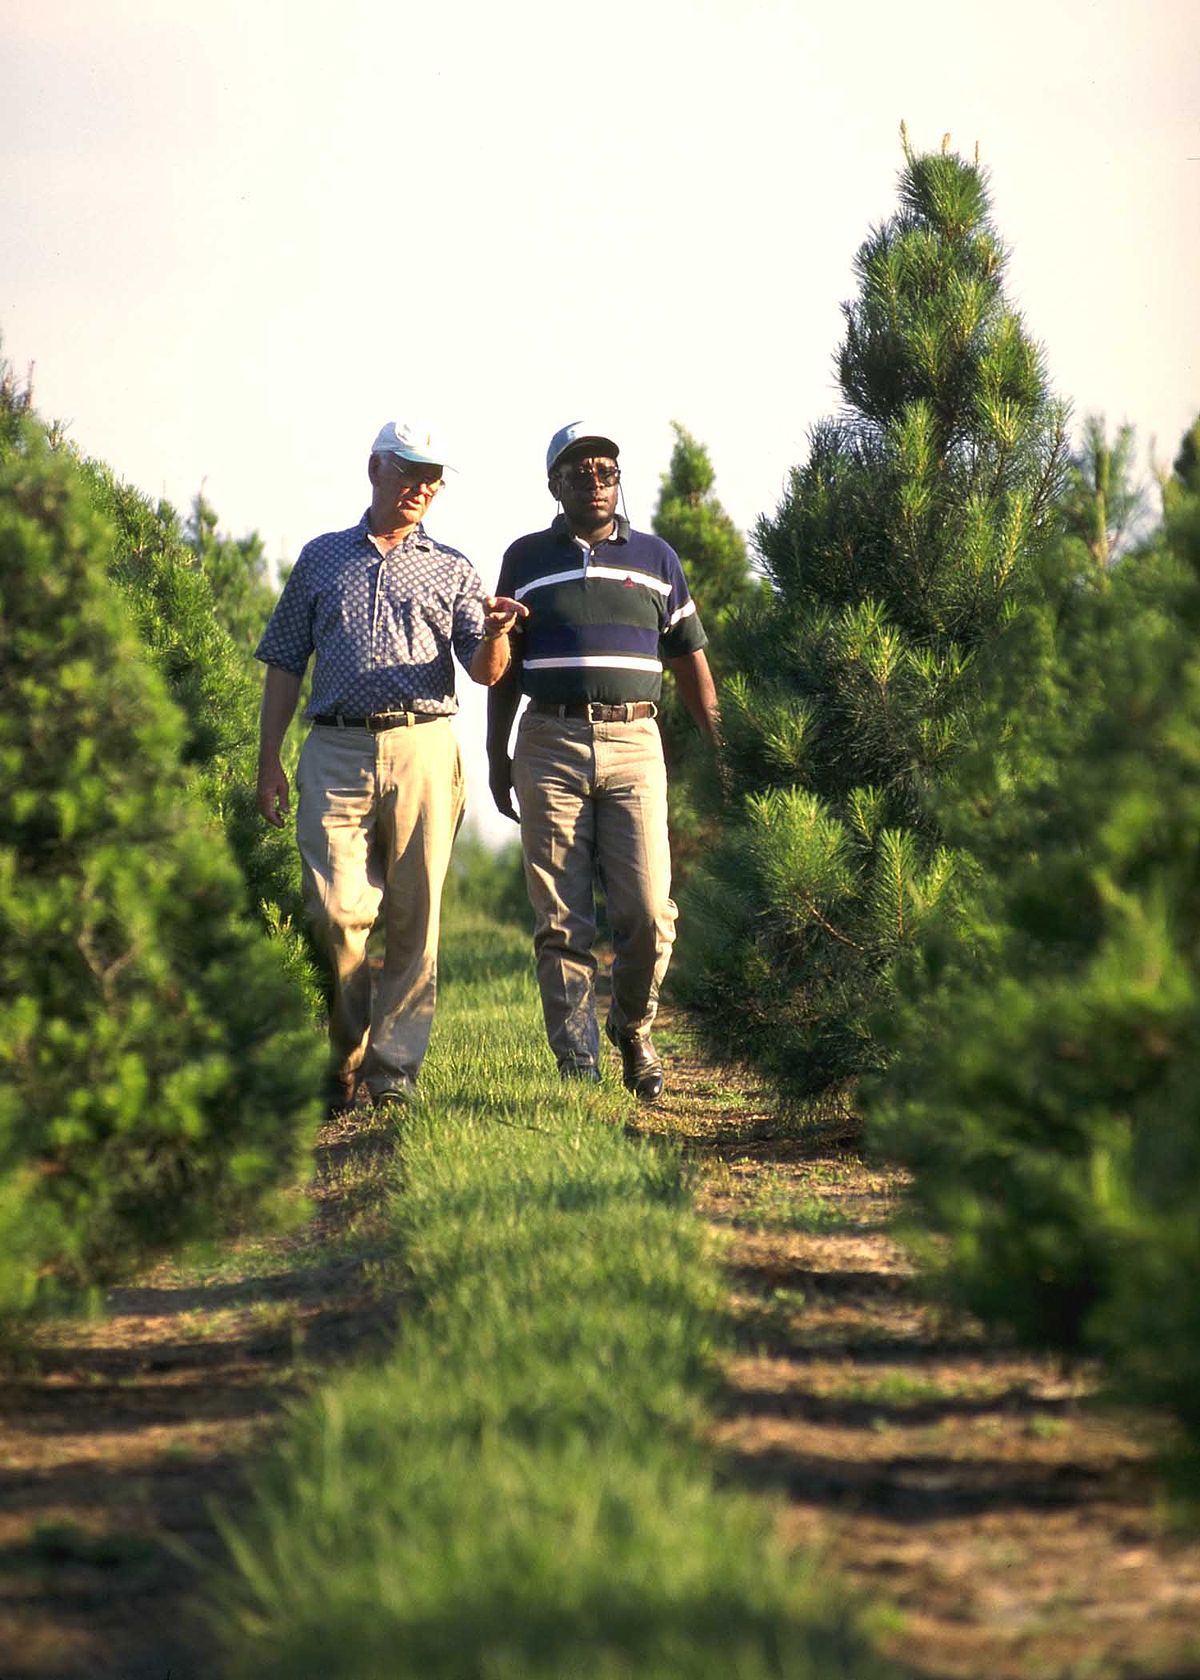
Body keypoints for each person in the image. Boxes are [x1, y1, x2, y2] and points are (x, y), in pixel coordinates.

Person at [256, 419, 526, 1112]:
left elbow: (485, 672)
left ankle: (393, 1074)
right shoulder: (322, 559)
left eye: (433, 477)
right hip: (335, 749)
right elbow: (285, 663)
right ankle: (342, 1052)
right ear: (374, 468)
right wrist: (269, 763)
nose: (422, 487)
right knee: (334, 912)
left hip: (425, 745)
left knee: (416, 914)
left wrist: (496, 635)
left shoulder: (454, 567)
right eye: (409, 471)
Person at [487, 421, 720, 1100]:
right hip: (548, 741)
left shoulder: (656, 558)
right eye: (580, 471)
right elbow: (506, 669)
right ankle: (578, 1063)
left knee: (648, 910)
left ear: (619, 481)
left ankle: (631, 1024)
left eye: (606, 470)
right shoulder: (525, 559)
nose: (595, 480)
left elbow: (692, 664)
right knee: (561, 917)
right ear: (555, 484)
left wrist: (721, 753)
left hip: (634, 742)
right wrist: (497, 755)